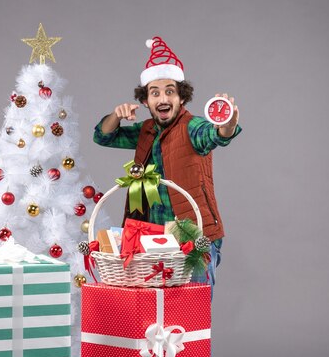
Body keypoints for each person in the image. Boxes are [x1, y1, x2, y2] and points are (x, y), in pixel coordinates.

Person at [93, 36, 242, 296]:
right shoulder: (146, 130)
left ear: (181, 98)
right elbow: (103, 136)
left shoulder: (192, 127)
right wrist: (116, 115)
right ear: (146, 101)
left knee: (190, 315)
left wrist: (226, 125)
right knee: (153, 316)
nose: (163, 98)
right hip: (149, 240)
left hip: (192, 238)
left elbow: (215, 135)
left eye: (170, 91)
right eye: (155, 92)